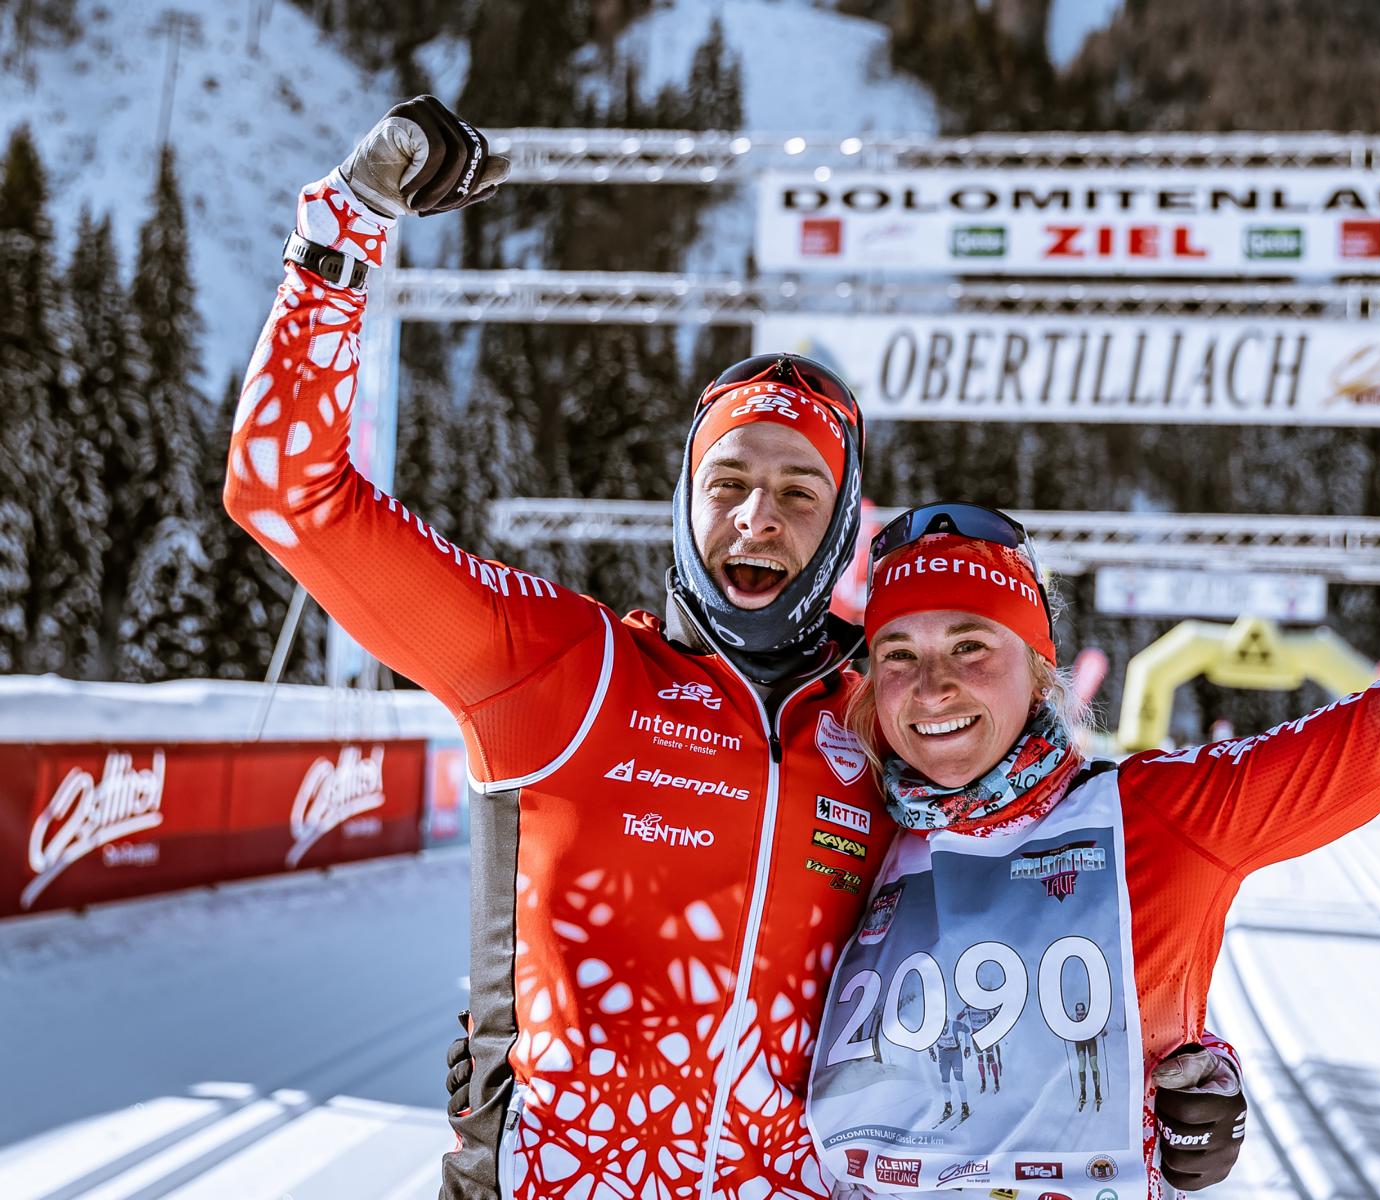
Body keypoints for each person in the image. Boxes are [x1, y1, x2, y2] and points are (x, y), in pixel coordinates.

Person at [227, 96, 1242, 1199]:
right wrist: (346, 227)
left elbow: (1049, 908)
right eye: (730, 484)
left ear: (844, 521)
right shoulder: (558, 668)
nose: (760, 519)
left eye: (800, 492)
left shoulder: (889, 718)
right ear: (684, 505)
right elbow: (290, 496)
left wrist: (1177, 1076)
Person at [806, 358, 1380, 1197]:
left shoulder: (1156, 815)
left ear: (1040, 669)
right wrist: (1186, 1082)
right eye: (898, 654)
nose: (933, 688)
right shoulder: (843, 819)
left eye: (971, 646)